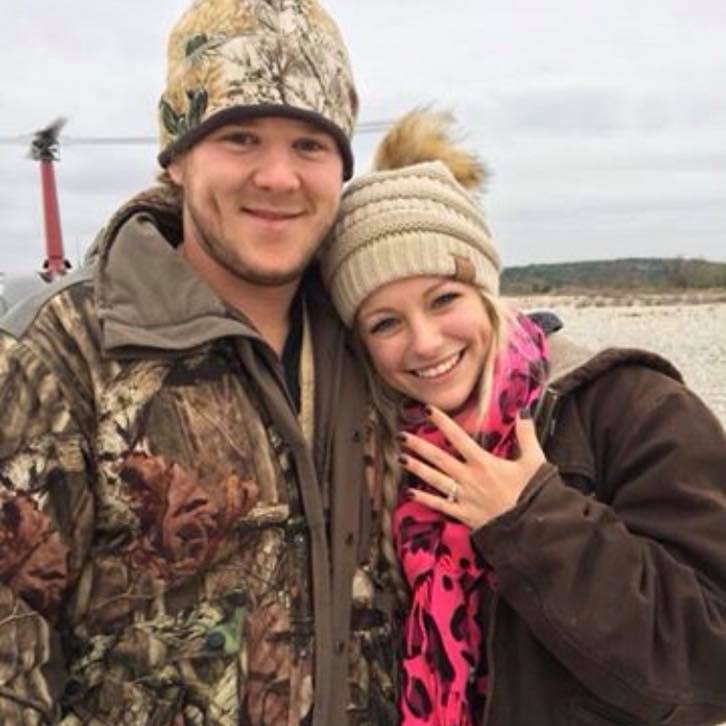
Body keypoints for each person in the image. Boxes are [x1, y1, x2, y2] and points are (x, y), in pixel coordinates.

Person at [0, 1, 398, 724]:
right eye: (240, 137)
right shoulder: (61, 355)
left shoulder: (382, 340)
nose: (278, 177)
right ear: (178, 158)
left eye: (310, 145)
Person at [320, 109, 726, 726]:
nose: (425, 342)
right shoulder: (374, 447)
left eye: (444, 299)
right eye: (386, 322)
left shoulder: (633, 408)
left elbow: (708, 660)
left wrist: (534, 521)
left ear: (487, 290)